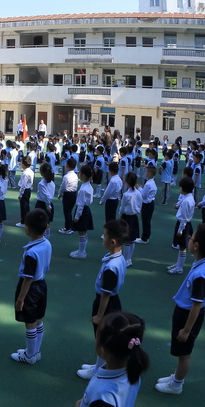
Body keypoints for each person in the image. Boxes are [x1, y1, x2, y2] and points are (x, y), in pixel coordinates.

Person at [155, 222, 205, 396]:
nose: (189, 238)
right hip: (185, 313)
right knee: (181, 351)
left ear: (196, 245)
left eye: (191, 238)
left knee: (184, 353)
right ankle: (177, 376)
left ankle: (177, 385)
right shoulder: (201, 264)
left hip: (188, 316)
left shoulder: (201, 274)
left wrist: (187, 330)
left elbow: (197, 304)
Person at [77, 219, 127, 380]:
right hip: (111, 302)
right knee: (103, 337)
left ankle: (99, 370)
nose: (102, 238)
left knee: (102, 338)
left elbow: (106, 294)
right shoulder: (118, 257)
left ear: (112, 242)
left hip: (106, 305)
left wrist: (99, 315)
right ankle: (98, 366)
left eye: (104, 235)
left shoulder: (112, 266)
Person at [12, 208, 51, 365]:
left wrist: (21, 299)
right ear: (46, 227)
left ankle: (29, 356)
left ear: (27, 228)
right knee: (38, 319)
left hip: (31, 289)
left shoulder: (31, 253)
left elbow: (27, 279)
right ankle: (35, 352)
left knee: (30, 322)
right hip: (42, 285)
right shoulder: (47, 243)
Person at [167, 177, 196, 275]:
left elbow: (184, 218)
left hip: (183, 225)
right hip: (184, 224)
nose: (179, 189)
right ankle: (178, 264)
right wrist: (177, 205)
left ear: (184, 188)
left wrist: (180, 230)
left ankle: (179, 268)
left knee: (183, 247)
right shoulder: (188, 197)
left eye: (180, 187)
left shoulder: (187, 201)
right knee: (181, 246)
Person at [69, 165, 95, 260]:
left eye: (80, 173)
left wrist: (77, 217)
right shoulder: (88, 186)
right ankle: (82, 250)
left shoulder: (84, 189)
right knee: (84, 232)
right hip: (86, 210)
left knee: (82, 232)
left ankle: (81, 252)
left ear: (83, 175)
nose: (79, 175)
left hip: (82, 211)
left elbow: (80, 205)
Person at [136, 163, 157, 245]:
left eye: (146, 172)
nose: (145, 173)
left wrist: (139, 188)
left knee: (145, 221)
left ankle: (144, 238)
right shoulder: (152, 182)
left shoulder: (148, 184)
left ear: (149, 174)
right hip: (150, 203)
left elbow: (143, 196)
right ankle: (146, 236)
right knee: (147, 221)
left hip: (146, 204)